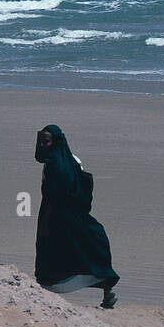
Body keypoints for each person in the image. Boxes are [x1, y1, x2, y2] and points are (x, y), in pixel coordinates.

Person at [34, 124, 119, 308]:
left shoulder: (67, 162)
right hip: (57, 212)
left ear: (55, 142)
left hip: (62, 214)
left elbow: (82, 187)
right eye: (40, 141)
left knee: (93, 244)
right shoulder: (55, 162)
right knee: (57, 251)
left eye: (46, 142)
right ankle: (44, 294)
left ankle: (107, 292)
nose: (42, 145)